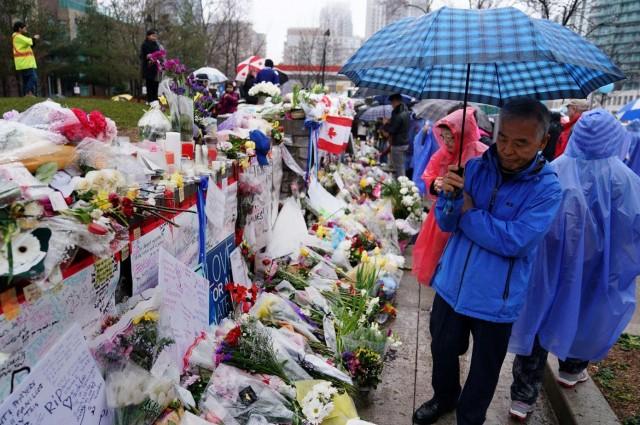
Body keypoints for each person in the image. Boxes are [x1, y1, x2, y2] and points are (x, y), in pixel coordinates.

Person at [413, 98, 562, 425]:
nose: (508, 150)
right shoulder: (476, 167)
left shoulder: (548, 188)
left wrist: (469, 212)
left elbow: (515, 240)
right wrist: (451, 199)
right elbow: (446, 222)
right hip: (452, 284)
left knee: (485, 368)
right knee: (442, 349)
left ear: (542, 141)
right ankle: (444, 397)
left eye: (521, 143)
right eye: (503, 139)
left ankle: (470, 417)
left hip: (497, 298)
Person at [507, 109, 640, 421]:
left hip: (549, 265)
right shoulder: (625, 179)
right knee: (588, 312)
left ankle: (522, 397)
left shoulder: (553, 170)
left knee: (538, 319)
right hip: (598, 268)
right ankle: (572, 368)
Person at [412, 107, 487, 286]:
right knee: (437, 256)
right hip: (442, 215)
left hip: (468, 216)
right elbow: (428, 176)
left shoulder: (480, 154)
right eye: (444, 137)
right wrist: (436, 185)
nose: (448, 142)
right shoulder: (443, 153)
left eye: (452, 137)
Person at [381, 93, 410, 178]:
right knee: (400, 166)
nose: (391, 105)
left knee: (399, 168)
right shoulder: (405, 111)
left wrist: (385, 124)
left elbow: (392, 130)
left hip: (398, 144)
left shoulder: (398, 114)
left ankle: (402, 187)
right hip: (404, 142)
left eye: (392, 102)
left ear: (396, 101)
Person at [12, 21, 39, 96]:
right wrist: (34, 38)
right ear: (20, 28)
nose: (26, 28)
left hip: (25, 62)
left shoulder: (18, 37)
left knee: (27, 79)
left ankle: (28, 94)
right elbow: (30, 41)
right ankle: (28, 93)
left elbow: (30, 45)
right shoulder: (18, 36)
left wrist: (33, 40)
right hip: (25, 62)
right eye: (24, 27)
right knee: (33, 78)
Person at [140, 29, 162, 103]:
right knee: (149, 84)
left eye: (155, 36)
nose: (154, 37)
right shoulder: (145, 44)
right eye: (153, 36)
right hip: (148, 67)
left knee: (156, 84)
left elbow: (159, 54)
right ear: (148, 36)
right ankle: (150, 100)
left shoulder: (156, 45)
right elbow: (144, 56)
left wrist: (158, 58)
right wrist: (150, 58)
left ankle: (155, 99)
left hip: (156, 67)